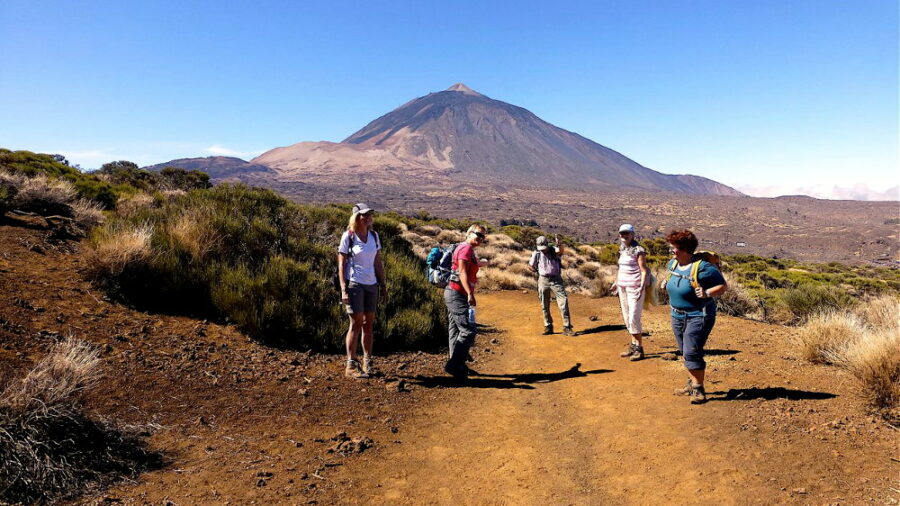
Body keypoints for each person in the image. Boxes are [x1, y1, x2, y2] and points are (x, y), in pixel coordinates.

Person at [660, 229, 727, 404]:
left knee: (692, 351)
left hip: (698, 315)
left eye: (673, 248)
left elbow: (722, 286)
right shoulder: (672, 265)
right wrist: (666, 283)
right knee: (684, 350)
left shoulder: (703, 268)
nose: (671, 251)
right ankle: (691, 383)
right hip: (676, 314)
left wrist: (707, 292)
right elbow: (673, 279)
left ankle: (698, 388)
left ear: (684, 249)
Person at [337, 203, 387, 379]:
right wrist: (343, 288)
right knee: (356, 323)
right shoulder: (348, 236)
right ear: (355, 217)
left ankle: (367, 362)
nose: (367, 218)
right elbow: (341, 264)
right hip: (355, 284)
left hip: (371, 284)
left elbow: (377, 262)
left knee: (369, 324)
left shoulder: (374, 236)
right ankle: (351, 364)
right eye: (363, 215)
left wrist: (383, 284)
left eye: (369, 215)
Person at [444, 225, 487, 380]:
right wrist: (470, 293)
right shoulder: (466, 249)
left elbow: (467, 267)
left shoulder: (467, 249)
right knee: (468, 330)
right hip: (457, 293)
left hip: (454, 293)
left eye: (483, 237)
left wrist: (481, 263)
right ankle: (454, 365)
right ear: (469, 233)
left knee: (455, 330)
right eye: (478, 235)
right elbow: (461, 271)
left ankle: (457, 364)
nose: (481, 239)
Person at [611, 224, 650, 360]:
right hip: (623, 286)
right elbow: (620, 268)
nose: (624, 236)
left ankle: (639, 348)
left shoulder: (638, 250)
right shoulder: (622, 248)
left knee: (634, 317)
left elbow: (644, 270)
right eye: (622, 233)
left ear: (632, 234)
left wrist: (641, 286)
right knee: (627, 317)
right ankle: (633, 346)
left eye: (627, 233)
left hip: (635, 287)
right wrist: (616, 282)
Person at [528, 235, 573, 336]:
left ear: (547, 245)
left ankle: (567, 327)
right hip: (543, 279)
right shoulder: (537, 253)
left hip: (556, 279)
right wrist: (537, 272)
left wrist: (560, 243)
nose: (543, 250)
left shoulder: (554, 250)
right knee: (544, 304)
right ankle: (548, 326)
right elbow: (530, 266)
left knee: (563, 302)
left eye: (544, 248)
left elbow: (561, 251)